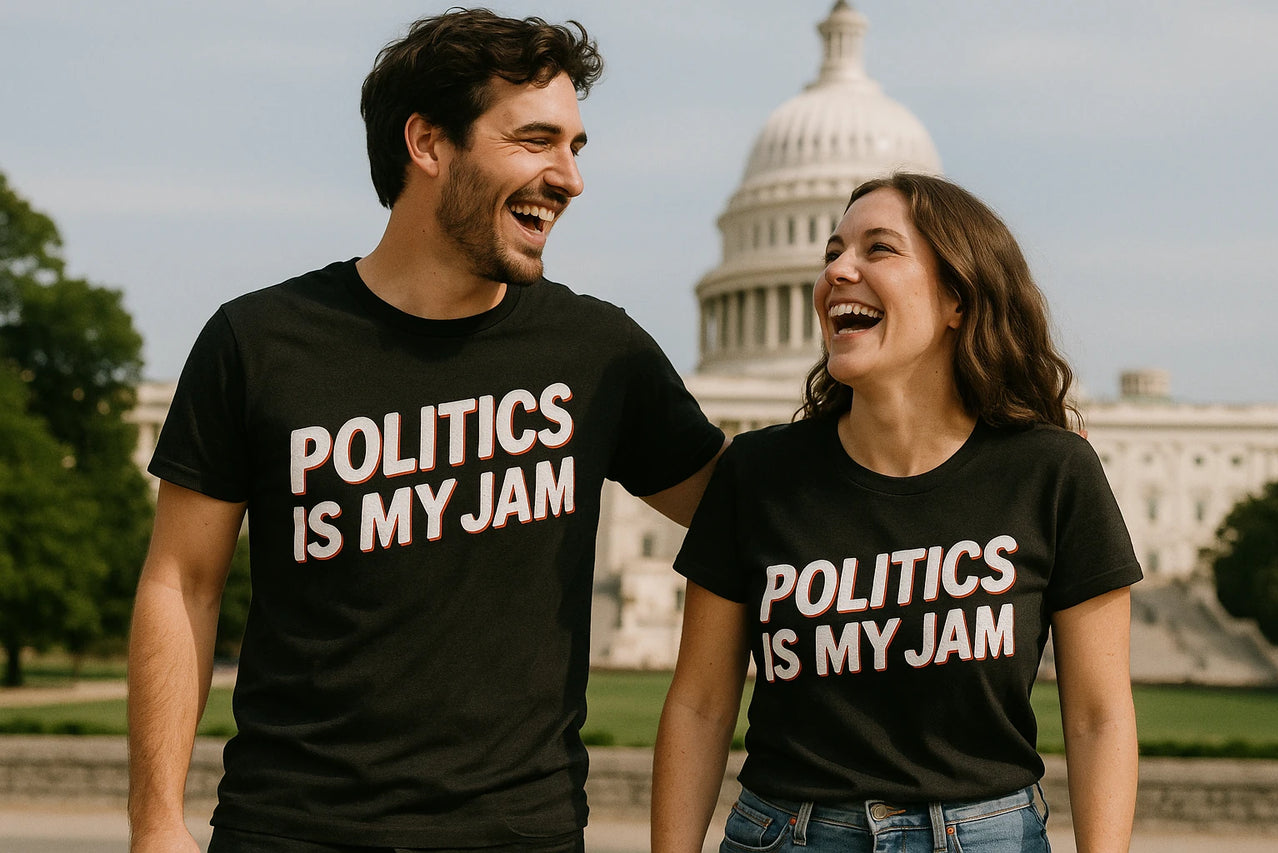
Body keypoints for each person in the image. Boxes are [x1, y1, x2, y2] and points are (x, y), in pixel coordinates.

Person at [126, 10, 725, 853]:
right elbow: (180, 584)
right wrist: (154, 822)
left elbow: (758, 517)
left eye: (577, 147)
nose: (570, 178)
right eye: (536, 140)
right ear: (429, 143)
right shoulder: (257, 343)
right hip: (290, 828)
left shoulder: (600, 353)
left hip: (519, 835)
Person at [651, 173, 1141, 853]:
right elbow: (701, 703)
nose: (837, 270)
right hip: (787, 834)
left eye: (878, 249)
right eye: (832, 252)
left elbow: (1099, 716)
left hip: (986, 837)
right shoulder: (757, 474)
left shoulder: (1051, 472)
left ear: (957, 300)